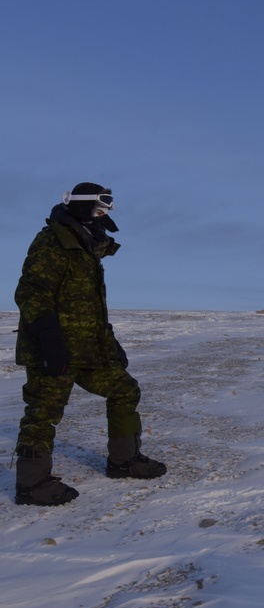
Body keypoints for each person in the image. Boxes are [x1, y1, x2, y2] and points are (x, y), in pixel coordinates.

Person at [13, 182, 167, 506]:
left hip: (89, 350)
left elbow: (91, 305)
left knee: (125, 389)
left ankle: (123, 462)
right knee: (43, 411)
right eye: (98, 209)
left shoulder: (87, 247)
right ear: (82, 206)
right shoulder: (52, 240)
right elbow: (31, 292)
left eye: (106, 212)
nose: (102, 215)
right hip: (53, 350)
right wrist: (49, 339)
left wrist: (110, 343)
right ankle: (32, 484)